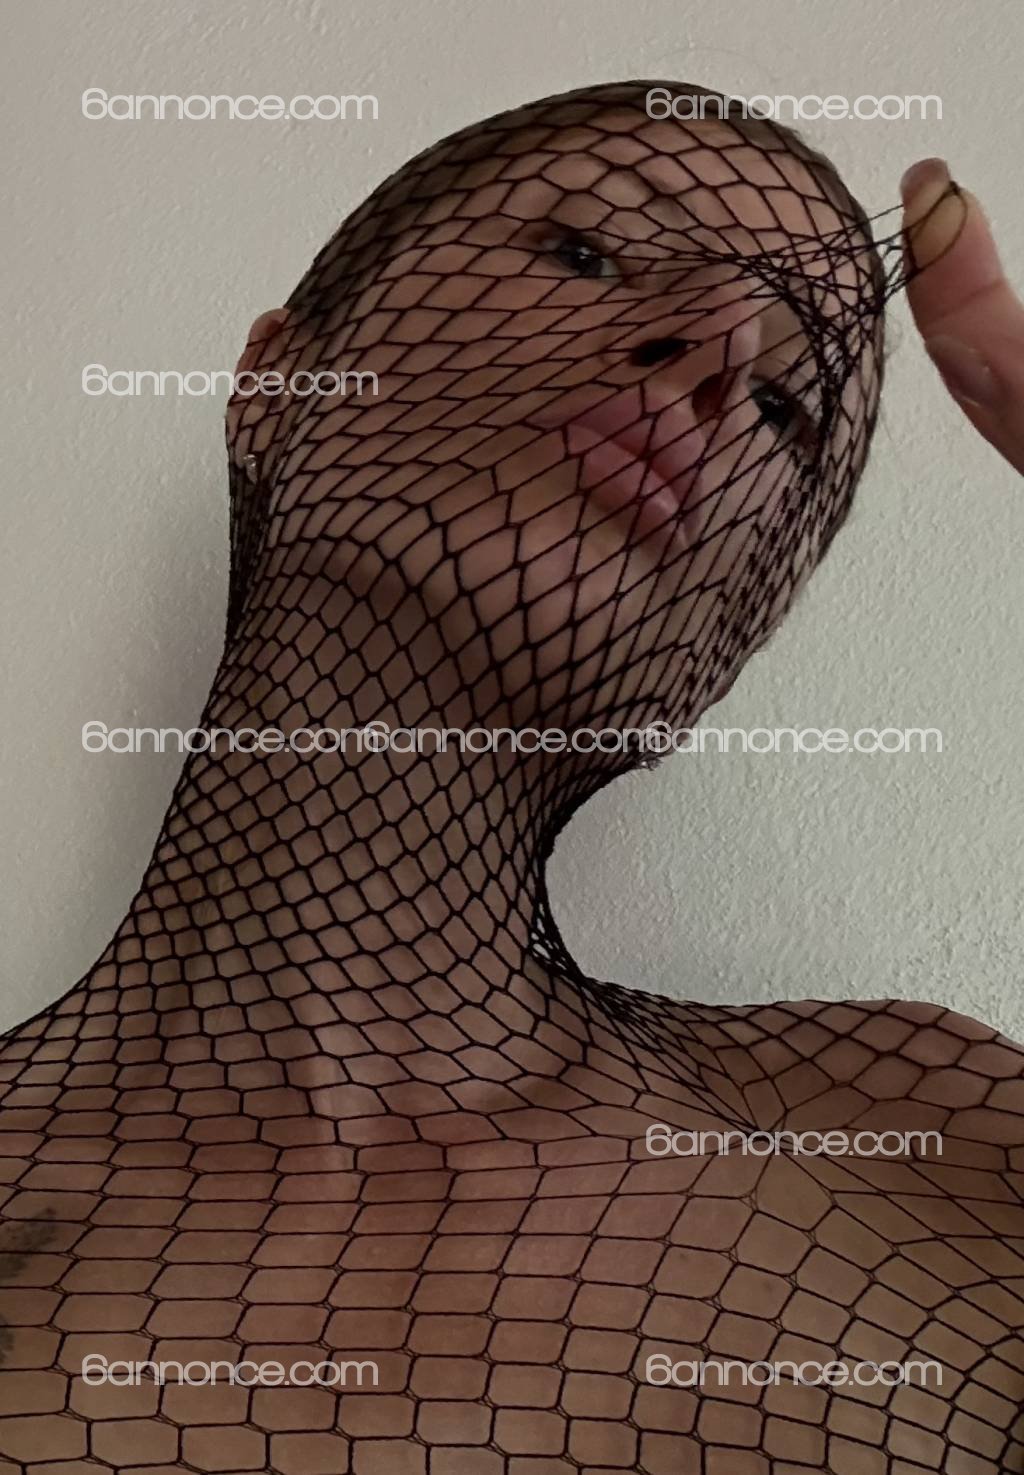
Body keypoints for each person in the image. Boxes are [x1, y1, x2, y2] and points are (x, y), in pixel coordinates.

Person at [0, 82, 1020, 1475]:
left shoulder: (926, 1136)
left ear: (725, 647)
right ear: (277, 389)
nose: (719, 345)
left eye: (788, 404)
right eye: (589, 251)